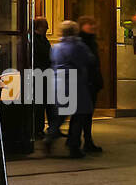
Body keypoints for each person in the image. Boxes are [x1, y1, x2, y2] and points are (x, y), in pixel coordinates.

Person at [49, 20, 93, 157]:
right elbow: (89, 60)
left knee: (61, 115)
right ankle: (74, 146)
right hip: (75, 82)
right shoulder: (78, 46)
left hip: (59, 82)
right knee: (78, 115)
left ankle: (49, 138)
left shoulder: (56, 47)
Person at [77, 16, 105, 153]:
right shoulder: (82, 42)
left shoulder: (91, 41)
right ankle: (79, 142)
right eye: (90, 24)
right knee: (82, 114)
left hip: (91, 82)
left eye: (94, 24)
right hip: (85, 82)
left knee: (87, 114)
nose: (93, 27)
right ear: (82, 26)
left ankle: (86, 140)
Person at [31, 17, 61, 139]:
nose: (48, 28)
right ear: (40, 27)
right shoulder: (36, 40)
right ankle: (39, 129)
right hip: (39, 76)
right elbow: (44, 55)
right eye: (46, 25)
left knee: (47, 103)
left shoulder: (40, 39)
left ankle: (49, 128)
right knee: (40, 105)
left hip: (44, 75)